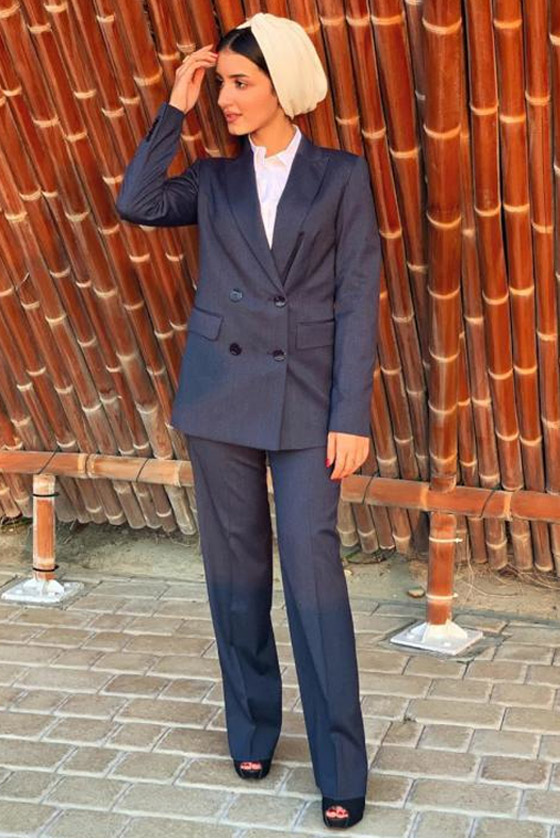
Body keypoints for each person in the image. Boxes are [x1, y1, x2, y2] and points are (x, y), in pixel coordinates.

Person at [116, 12, 381, 829]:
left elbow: (356, 297)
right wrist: (175, 102)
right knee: (234, 577)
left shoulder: (340, 176)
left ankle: (341, 764)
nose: (226, 98)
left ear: (282, 85)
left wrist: (350, 415)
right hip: (221, 399)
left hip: (307, 405)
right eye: (222, 83)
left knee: (313, 574)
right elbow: (136, 201)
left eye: (241, 83)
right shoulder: (213, 179)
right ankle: (253, 728)